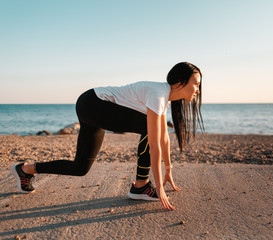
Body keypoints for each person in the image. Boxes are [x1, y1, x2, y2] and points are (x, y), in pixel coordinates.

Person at [11, 62, 204, 211]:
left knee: (80, 168)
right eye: (195, 84)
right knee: (148, 128)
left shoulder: (162, 97)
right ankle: (140, 186)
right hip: (94, 103)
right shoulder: (158, 94)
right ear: (180, 82)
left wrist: (168, 170)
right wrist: (159, 188)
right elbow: (154, 144)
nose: (198, 90)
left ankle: (26, 169)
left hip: (91, 105)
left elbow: (164, 139)